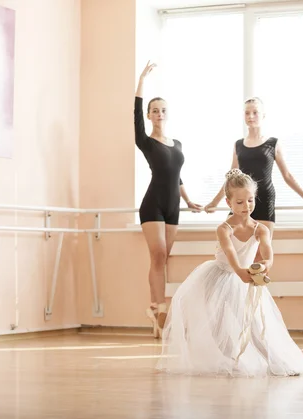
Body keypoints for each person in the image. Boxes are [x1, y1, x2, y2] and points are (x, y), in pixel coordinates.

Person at [156, 169, 303, 377]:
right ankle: (231, 359)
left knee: (254, 323)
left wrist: (267, 263)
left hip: (245, 280)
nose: (246, 206)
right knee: (217, 323)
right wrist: (239, 270)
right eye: (239, 202)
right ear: (228, 202)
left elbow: (267, 251)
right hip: (218, 277)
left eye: (250, 200)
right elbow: (230, 252)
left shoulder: (260, 229)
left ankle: (274, 361)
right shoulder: (224, 228)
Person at [135, 61, 202, 338]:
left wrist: (187, 200)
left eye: (163, 110)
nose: (159, 114)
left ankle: (154, 311)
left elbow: (177, 175)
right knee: (158, 254)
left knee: (163, 259)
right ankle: (160, 308)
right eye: (154, 110)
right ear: (149, 115)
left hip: (174, 205)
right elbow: (134, 115)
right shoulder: (146, 141)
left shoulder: (178, 144)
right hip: (153, 205)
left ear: (167, 114)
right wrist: (141, 81)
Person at [204, 97, 303, 238]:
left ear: (263, 115)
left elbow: (287, 176)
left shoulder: (273, 143)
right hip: (241, 199)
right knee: (233, 245)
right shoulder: (238, 145)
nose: (251, 116)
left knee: (262, 252)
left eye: (255, 112)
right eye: (247, 113)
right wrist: (214, 202)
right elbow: (231, 179)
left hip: (265, 198)